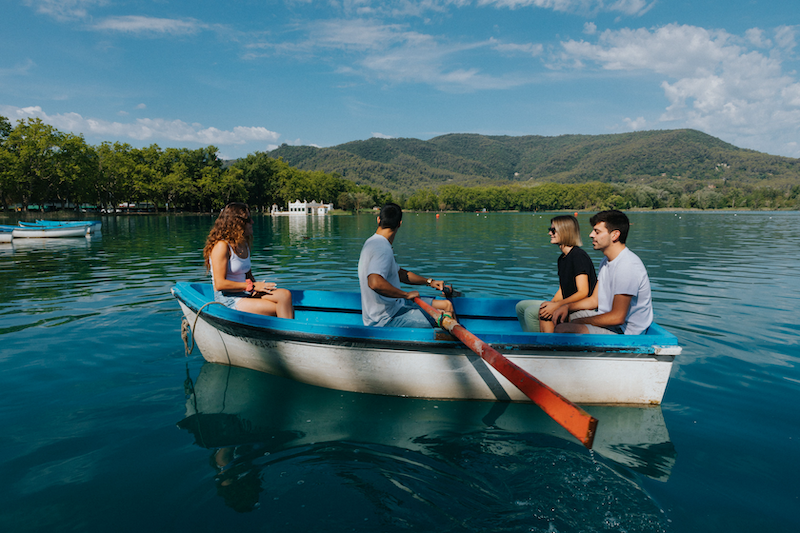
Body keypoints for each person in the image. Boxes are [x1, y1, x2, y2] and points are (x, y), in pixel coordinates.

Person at [552, 210, 652, 335]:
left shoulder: (627, 266)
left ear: (614, 235)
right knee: (559, 316)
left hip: (624, 333)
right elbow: (594, 301)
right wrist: (566, 307)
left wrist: (578, 322)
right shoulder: (606, 261)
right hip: (609, 322)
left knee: (564, 329)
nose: (591, 235)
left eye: (597, 232)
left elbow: (618, 317)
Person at [358, 203, 455, 327]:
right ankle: (452, 345)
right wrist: (406, 294)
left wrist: (429, 281)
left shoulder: (372, 242)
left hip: (396, 305)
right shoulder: (382, 248)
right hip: (386, 319)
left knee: (447, 305)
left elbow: (401, 275)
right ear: (399, 224)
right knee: (445, 318)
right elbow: (374, 282)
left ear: (378, 220)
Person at [202, 202, 294, 318]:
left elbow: (248, 275)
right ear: (237, 223)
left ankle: (288, 332)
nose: (252, 222)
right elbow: (220, 284)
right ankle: (285, 335)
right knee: (277, 308)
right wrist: (253, 286)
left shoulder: (244, 244)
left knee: (285, 295)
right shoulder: (222, 246)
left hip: (245, 292)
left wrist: (259, 289)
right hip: (228, 298)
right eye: (248, 219)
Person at [515, 215, 597, 332]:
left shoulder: (578, 256)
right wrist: (552, 303)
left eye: (553, 230)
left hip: (581, 307)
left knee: (531, 312)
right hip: (566, 303)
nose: (550, 233)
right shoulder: (562, 258)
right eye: (550, 230)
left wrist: (557, 305)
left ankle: (541, 344)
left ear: (565, 231)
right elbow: (562, 289)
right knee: (521, 307)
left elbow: (583, 292)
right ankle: (529, 338)